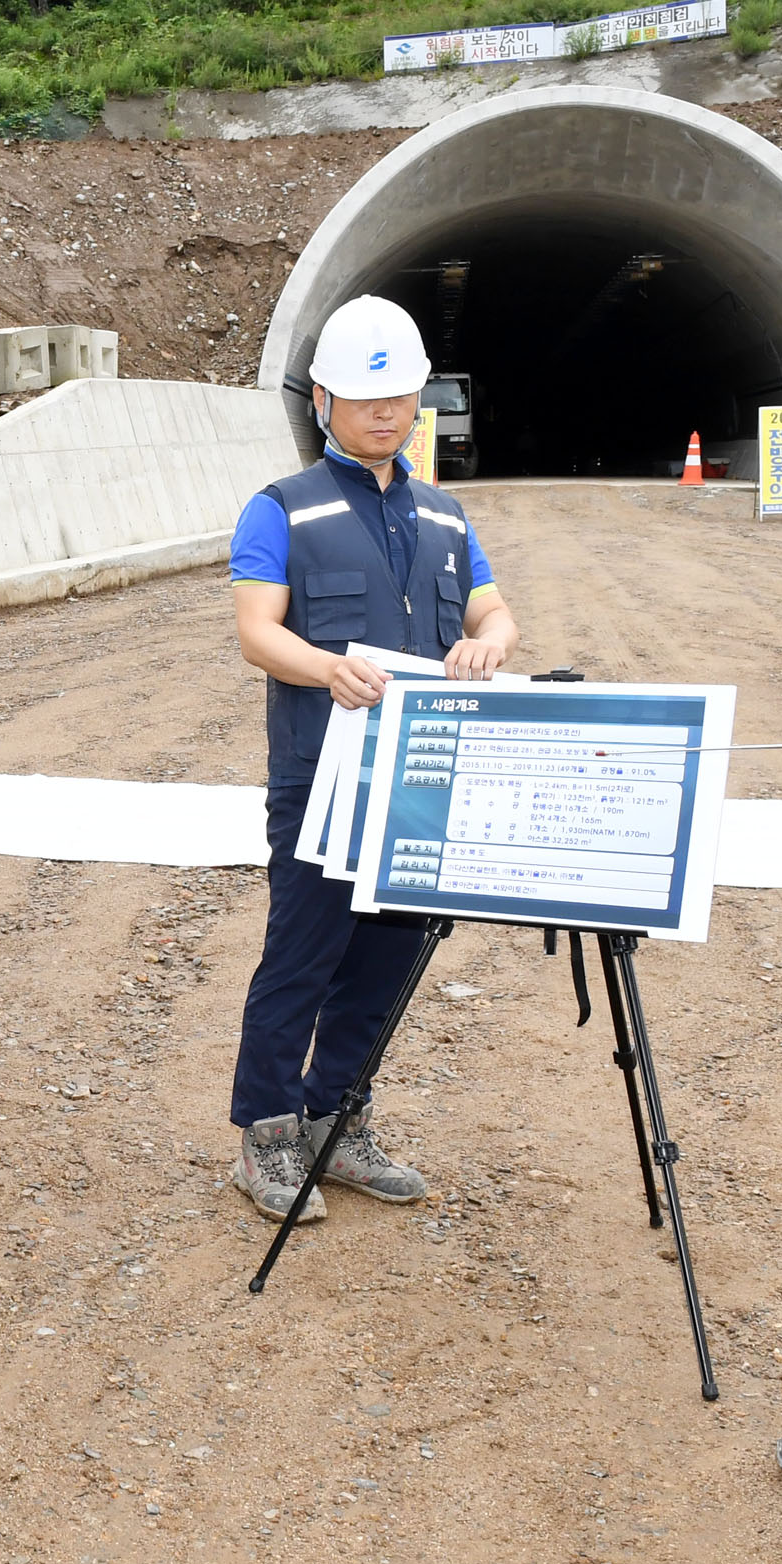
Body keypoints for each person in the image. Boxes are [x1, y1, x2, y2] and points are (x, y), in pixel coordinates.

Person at [226, 295, 517, 1225]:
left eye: (399, 397)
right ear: (322, 399)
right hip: (321, 778)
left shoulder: (443, 515)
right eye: (364, 398)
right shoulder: (282, 510)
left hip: (417, 782)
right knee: (300, 959)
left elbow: (494, 612)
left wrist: (491, 643)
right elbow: (255, 633)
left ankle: (337, 1119)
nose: (385, 414)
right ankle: (268, 1136)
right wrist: (325, 668)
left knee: (387, 963)